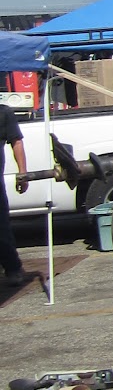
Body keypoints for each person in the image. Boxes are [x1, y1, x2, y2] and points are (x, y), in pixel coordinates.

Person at [1, 102, 33, 288]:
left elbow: (17, 142)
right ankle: (12, 268)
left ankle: (13, 268)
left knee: (2, 228)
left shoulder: (3, 113)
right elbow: (17, 142)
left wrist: (23, 174)